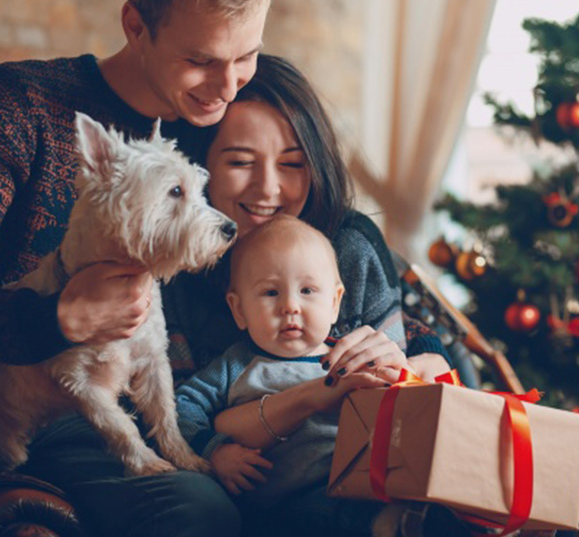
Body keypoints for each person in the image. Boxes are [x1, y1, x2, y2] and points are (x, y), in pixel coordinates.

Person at [0, 0, 275, 536]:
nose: (228, 86)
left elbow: (318, 217)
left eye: (248, 55)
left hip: (143, 405)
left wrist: (413, 337)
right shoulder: (18, 112)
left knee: (205, 515)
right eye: (201, 59)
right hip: (18, 398)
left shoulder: (226, 122)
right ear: (135, 25)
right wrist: (56, 319)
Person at [162, 54, 459, 536]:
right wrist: (216, 452)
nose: (268, 187)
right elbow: (177, 410)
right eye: (239, 161)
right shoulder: (171, 266)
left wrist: (408, 360)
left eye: (292, 164)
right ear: (200, 167)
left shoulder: (348, 244)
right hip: (257, 494)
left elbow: (412, 354)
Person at [176, 214, 397, 536]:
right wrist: (216, 450)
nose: (290, 306)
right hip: (280, 507)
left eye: (307, 290)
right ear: (239, 310)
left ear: (335, 303)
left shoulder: (349, 358)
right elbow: (181, 407)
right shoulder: (234, 365)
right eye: (270, 293)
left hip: (361, 483)